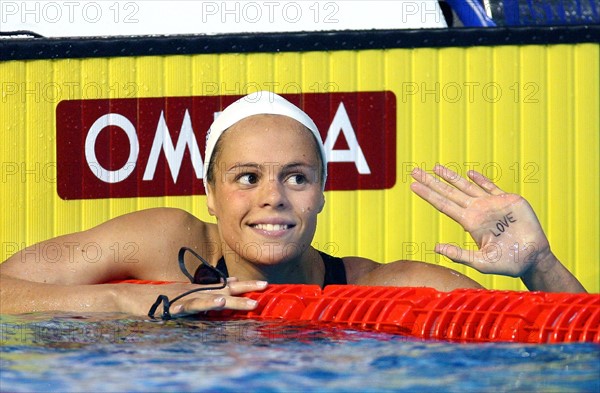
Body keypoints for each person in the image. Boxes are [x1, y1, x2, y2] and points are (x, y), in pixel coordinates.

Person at [0, 91, 586, 318]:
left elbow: (577, 348)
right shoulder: (162, 243)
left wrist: (540, 265)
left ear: (323, 192)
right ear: (209, 194)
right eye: (247, 177)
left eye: (297, 178)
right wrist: (132, 301)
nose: (272, 198)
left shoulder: (379, 289)